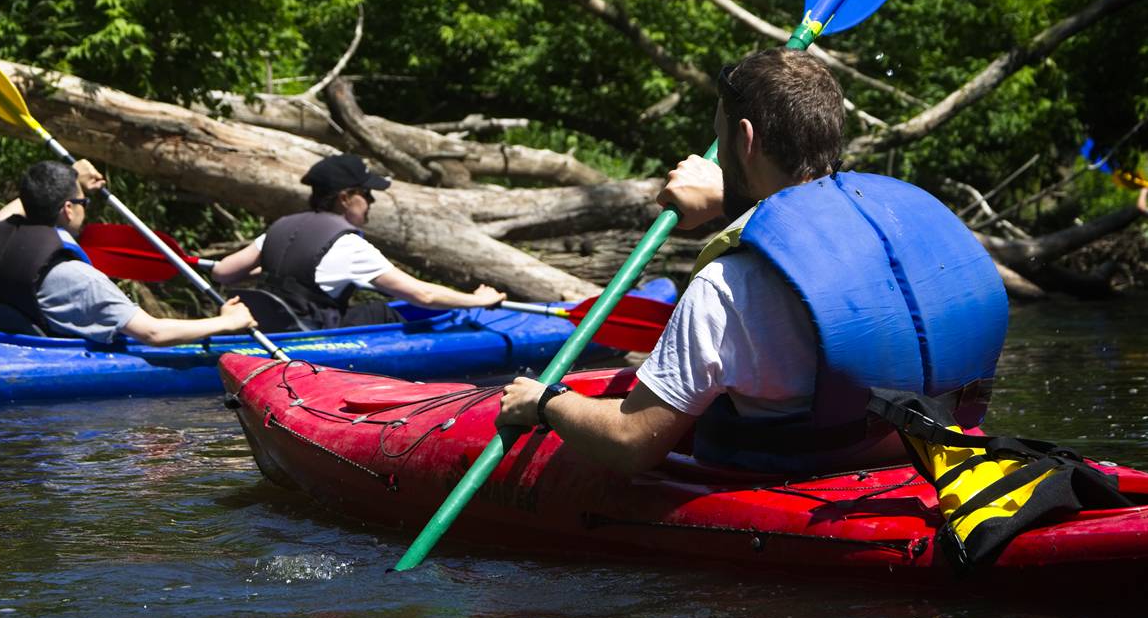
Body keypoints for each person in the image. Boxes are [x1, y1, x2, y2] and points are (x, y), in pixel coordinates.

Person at [498, 48, 1008, 474]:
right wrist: (732, 200)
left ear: (744, 139)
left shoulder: (727, 286)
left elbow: (633, 441)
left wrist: (546, 404)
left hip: (804, 477)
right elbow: (812, 218)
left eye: (720, 139)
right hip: (924, 457)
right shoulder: (898, 229)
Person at [0, 159, 256, 345]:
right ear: (67, 209)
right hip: (54, 381)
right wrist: (229, 321)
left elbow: (16, 207)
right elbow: (153, 333)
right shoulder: (76, 278)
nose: (84, 209)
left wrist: (71, 174)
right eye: (82, 203)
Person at [211, 153, 507, 328]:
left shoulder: (279, 227)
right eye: (366, 194)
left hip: (270, 326)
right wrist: (476, 301)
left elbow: (223, 272)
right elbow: (423, 296)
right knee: (380, 311)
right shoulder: (347, 246)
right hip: (308, 334)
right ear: (344, 198)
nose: (372, 201)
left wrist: (278, 269)